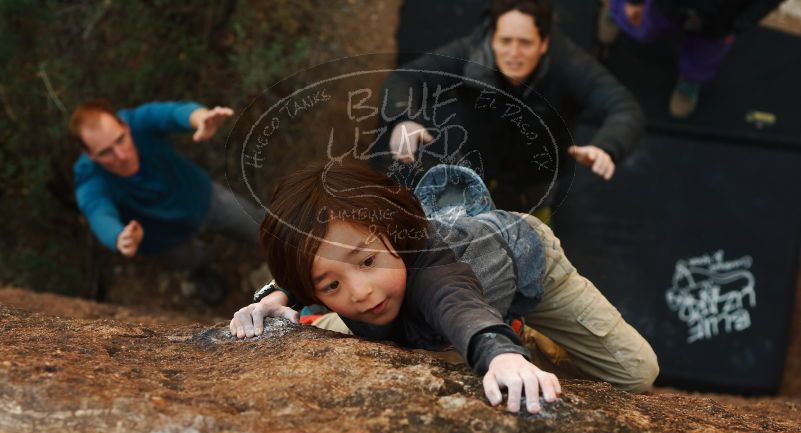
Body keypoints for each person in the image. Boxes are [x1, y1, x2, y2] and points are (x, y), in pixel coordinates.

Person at [229, 162, 659, 414]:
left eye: (367, 261)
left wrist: (504, 354)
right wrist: (275, 298)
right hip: (443, 302)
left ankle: (525, 333)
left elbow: (457, 305)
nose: (360, 293)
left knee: (637, 372)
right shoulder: (362, 275)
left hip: (524, 263)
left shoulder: (434, 274)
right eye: (332, 284)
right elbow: (307, 272)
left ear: (396, 236)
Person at [380, 0, 645, 216]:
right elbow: (405, 78)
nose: (513, 53)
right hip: (473, 173)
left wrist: (606, 146)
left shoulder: (570, 64)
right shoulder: (470, 52)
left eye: (525, 43)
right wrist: (403, 119)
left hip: (534, 185)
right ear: (492, 38)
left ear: (544, 44)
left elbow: (624, 108)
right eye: (505, 41)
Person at [70, 100, 264, 304]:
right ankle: (202, 273)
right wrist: (119, 237)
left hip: (201, 196)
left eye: (121, 140)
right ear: (90, 155)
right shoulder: (89, 177)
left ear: (125, 127)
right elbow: (98, 211)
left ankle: (290, 251)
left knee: (256, 225)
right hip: (165, 236)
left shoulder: (137, 123)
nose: (122, 155)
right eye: (105, 152)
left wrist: (199, 118)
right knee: (191, 261)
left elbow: (171, 114)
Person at [597, 0, 783, 118]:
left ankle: (691, 80)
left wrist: (740, 23)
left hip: (720, 18)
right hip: (666, 5)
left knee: (705, 55)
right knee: (641, 23)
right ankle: (617, 9)